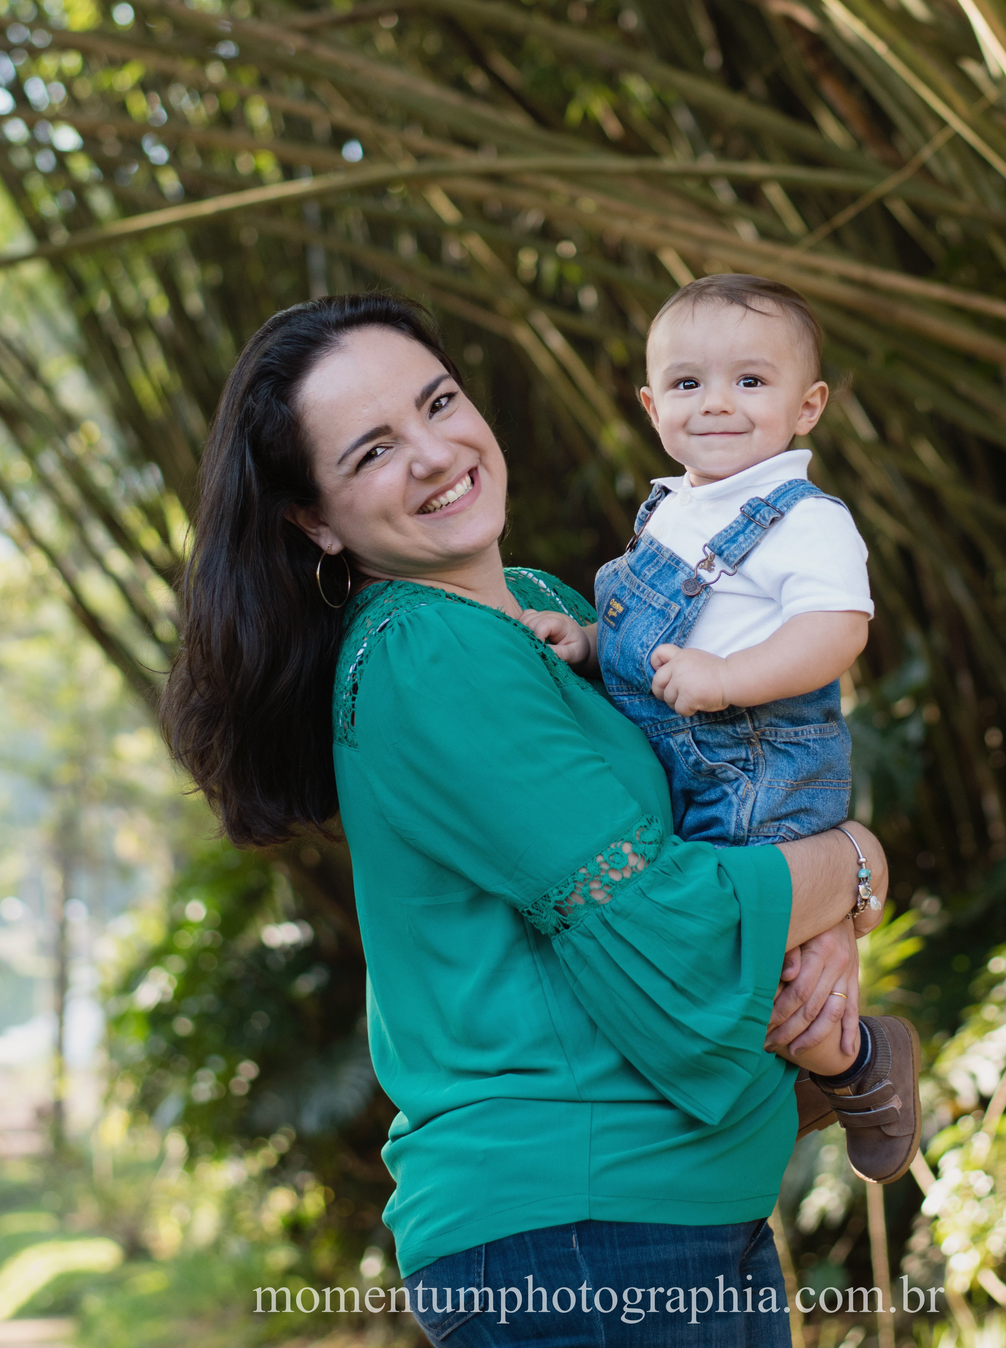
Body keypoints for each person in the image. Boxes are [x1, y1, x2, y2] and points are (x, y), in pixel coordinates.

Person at [162, 292, 891, 1346]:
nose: (433, 451)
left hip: (662, 1218)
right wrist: (857, 863)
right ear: (312, 518)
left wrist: (820, 921)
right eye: (371, 451)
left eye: (439, 401)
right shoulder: (427, 652)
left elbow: (724, 810)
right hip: (579, 1236)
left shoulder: (544, 607)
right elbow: (673, 926)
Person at [520, 275, 920, 1184]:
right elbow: (650, 640)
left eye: (751, 382)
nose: (718, 404)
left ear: (807, 406)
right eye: (690, 384)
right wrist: (586, 641)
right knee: (696, 939)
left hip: (761, 767)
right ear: (651, 405)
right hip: (684, 765)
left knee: (748, 954)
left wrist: (732, 678)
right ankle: (809, 1073)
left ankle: (857, 1069)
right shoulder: (673, 508)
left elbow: (837, 631)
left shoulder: (805, 519)